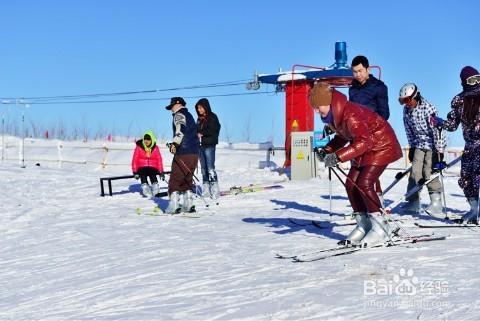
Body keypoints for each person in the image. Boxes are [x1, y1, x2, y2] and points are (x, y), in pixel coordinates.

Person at [310, 82, 402, 247]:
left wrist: (338, 157)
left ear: (328, 102)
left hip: (381, 145)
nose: (317, 111)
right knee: (351, 184)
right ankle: (364, 225)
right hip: (365, 148)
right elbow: (343, 136)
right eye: (315, 107)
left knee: (364, 183)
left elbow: (365, 140)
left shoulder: (350, 113)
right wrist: (327, 150)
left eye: (318, 106)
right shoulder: (334, 115)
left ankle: (381, 227)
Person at [431, 66, 480, 223]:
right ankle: (474, 210)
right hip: (469, 147)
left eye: (478, 79)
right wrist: (440, 122)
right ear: (464, 82)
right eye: (472, 80)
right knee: (466, 179)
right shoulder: (459, 101)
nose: (476, 83)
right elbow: (452, 126)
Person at [399, 83, 447, 217]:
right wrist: (412, 147)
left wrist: (440, 151)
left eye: (408, 100)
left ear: (416, 96)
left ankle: (436, 203)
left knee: (429, 172)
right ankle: (413, 202)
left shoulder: (428, 108)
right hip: (419, 145)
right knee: (415, 172)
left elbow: (438, 131)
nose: (406, 104)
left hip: (432, 145)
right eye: (403, 101)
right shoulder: (406, 110)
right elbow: (409, 131)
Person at [349, 55, 390, 205]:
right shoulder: (352, 89)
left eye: (360, 71)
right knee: (358, 173)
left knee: (369, 173)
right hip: (357, 136)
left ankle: (378, 202)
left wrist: (370, 125)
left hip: (374, 135)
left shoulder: (379, 87)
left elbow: (385, 113)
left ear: (367, 69)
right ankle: (364, 207)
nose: (357, 74)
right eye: (354, 72)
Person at [164, 97, 199, 214]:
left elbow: (180, 128)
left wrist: (175, 143)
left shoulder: (179, 115)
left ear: (178, 105)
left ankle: (173, 206)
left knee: (175, 178)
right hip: (194, 152)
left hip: (183, 152)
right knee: (187, 179)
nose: (171, 110)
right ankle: (188, 205)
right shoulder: (190, 115)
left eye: (171, 107)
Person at [195, 98, 221, 199]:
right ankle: (206, 188)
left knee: (210, 167)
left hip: (209, 145)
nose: (199, 110)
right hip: (200, 146)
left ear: (205, 107)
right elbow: (196, 130)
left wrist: (202, 133)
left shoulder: (212, 117)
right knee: (203, 168)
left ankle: (214, 188)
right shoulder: (199, 119)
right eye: (198, 108)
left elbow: (214, 130)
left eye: (201, 108)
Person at [131, 130, 164, 197]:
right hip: (142, 167)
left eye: (148, 139)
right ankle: (145, 187)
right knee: (142, 173)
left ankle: (155, 186)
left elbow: (159, 159)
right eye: (145, 139)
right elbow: (135, 159)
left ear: (152, 140)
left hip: (152, 167)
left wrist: (161, 171)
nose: (146, 141)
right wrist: (135, 171)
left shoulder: (155, 148)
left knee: (153, 174)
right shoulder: (139, 147)